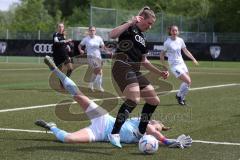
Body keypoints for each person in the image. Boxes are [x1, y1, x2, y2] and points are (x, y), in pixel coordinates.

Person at [35, 56, 192, 149]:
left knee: (68, 139)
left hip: (100, 134)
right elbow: (154, 130)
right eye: (157, 125)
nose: (157, 127)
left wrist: (163, 138)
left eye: (159, 127)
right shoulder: (144, 124)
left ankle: (52, 127)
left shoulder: (146, 134)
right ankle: (55, 70)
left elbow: (155, 132)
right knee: (78, 95)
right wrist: (166, 141)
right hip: (104, 119)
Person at [107, 6, 169, 148]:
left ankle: (140, 133)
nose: (150, 26)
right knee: (134, 99)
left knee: (154, 100)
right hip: (122, 65)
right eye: (149, 23)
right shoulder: (128, 27)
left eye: (152, 24)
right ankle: (114, 133)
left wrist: (159, 72)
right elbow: (112, 34)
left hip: (135, 70)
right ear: (142, 19)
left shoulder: (143, 39)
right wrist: (130, 22)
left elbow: (144, 61)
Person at [160, 25, 199, 105]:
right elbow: (161, 55)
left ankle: (182, 98)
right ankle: (179, 96)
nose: (174, 32)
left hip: (182, 64)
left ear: (178, 32)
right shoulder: (167, 43)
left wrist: (193, 59)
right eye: (173, 30)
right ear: (170, 32)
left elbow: (185, 51)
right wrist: (164, 67)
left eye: (176, 30)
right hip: (174, 65)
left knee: (188, 82)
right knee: (188, 80)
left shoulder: (180, 40)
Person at [78, 26, 111, 92]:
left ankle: (97, 86)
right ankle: (93, 84)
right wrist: (80, 50)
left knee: (100, 72)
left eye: (93, 30)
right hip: (90, 56)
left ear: (95, 31)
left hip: (98, 57)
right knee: (98, 69)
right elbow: (79, 45)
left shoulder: (99, 38)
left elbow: (103, 46)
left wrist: (108, 51)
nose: (92, 31)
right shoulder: (86, 39)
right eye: (90, 30)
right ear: (88, 31)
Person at [52, 22, 73, 87]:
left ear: (63, 28)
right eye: (59, 27)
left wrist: (68, 46)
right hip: (57, 55)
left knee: (70, 69)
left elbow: (65, 44)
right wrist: (65, 41)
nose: (61, 28)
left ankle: (65, 81)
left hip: (64, 54)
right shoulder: (55, 34)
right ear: (57, 28)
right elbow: (56, 42)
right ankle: (62, 84)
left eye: (62, 27)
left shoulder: (64, 35)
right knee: (60, 71)